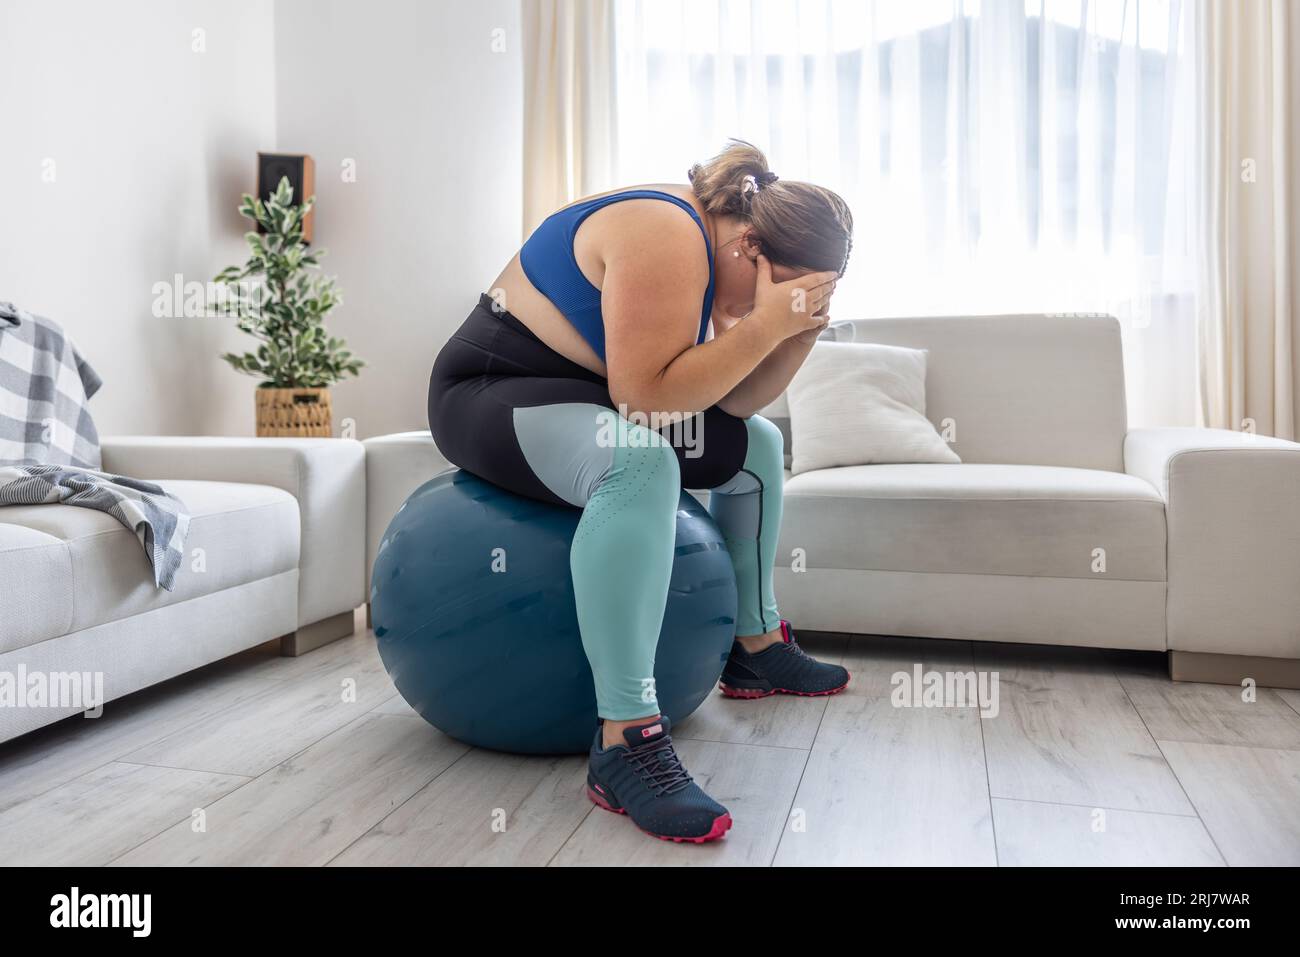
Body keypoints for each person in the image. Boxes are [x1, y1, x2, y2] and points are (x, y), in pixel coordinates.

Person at [428, 140, 853, 843]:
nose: (762, 310)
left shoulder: (725, 254)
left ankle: (754, 644)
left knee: (760, 448)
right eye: (780, 291)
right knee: (642, 464)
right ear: (750, 247)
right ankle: (625, 739)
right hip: (490, 390)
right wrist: (769, 322)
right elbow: (648, 399)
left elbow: (736, 404)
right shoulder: (667, 234)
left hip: (587, 395)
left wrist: (795, 333)